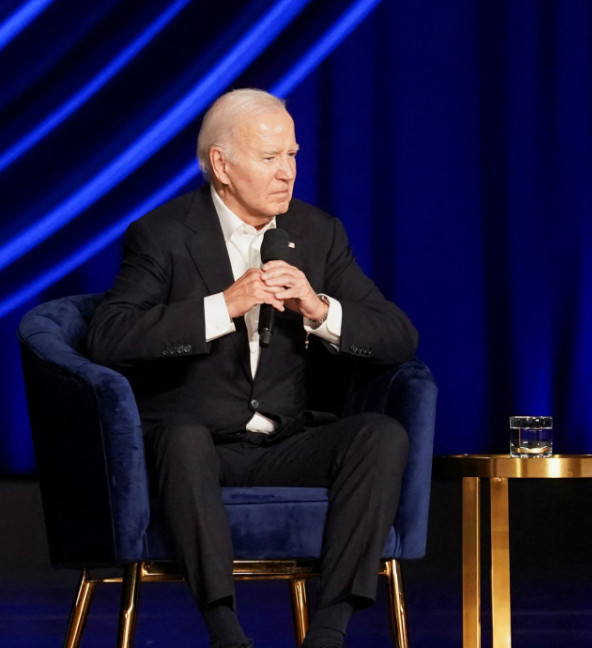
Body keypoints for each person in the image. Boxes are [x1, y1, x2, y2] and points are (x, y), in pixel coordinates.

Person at [86, 88, 419, 648]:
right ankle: (226, 632)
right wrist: (224, 306)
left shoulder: (318, 234)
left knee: (381, 436)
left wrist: (319, 310)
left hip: (285, 442)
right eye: (270, 158)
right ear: (221, 165)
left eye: (292, 156)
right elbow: (109, 336)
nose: (287, 173)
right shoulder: (164, 235)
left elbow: (399, 337)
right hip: (196, 448)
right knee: (185, 439)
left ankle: (330, 629)